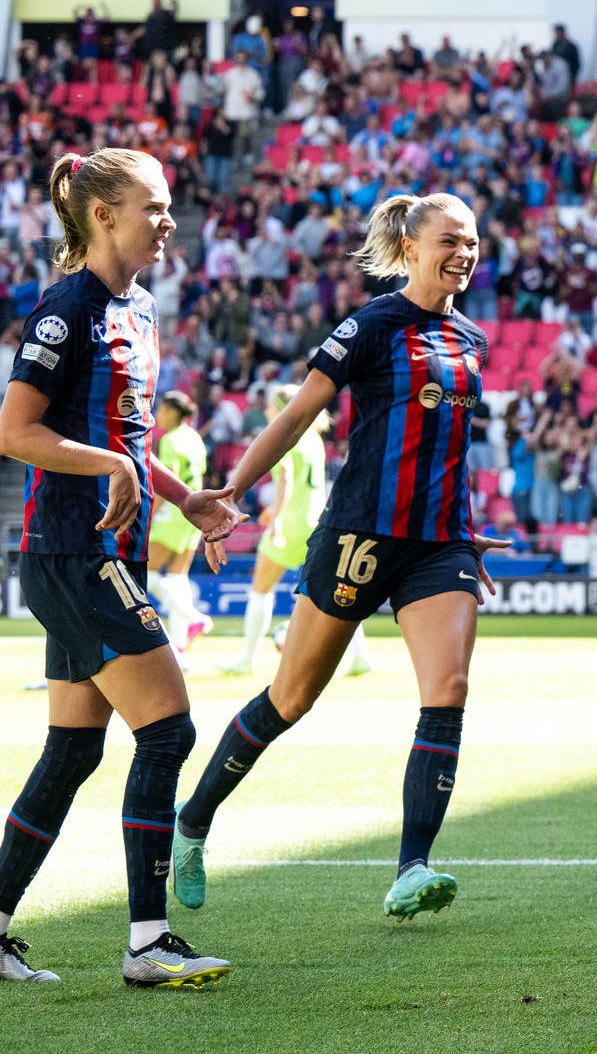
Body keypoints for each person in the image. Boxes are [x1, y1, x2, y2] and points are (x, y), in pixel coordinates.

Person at [171, 193, 510, 921]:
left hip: (438, 543)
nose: (465, 252)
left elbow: (452, 449)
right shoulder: (371, 324)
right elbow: (298, 413)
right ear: (412, 245)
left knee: (447, 688)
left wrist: (467, 526)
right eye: (451, 239)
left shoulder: (473, 340)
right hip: (359, 534)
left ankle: (411, 869)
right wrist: (232, 490)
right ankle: (194, 819)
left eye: (474, 241)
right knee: (291, 698)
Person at [0, 149, 241, 988]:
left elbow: (131, 443)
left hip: (100, 549)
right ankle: (147, 943)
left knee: (71, 752)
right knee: (169, 732)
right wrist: (112, 467)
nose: (168, 219)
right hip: (74, 553)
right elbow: (15, 431)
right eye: (154, 205)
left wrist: (184, 498)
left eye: (170, 204)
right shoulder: (67, 307)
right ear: (103, 213)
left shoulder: (137, 308)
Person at [220, 384, 373, 680]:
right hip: (314, 522)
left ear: (281, 407)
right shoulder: (314, 438)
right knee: (335, 593)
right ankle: (361, 657)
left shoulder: (287, 436)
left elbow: (286, 481)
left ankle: (246, 660)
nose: (266, 410)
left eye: (270, 405)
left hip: (289, 524)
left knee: (260, 591)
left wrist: (275, 519)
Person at [145, 391, 213, 660]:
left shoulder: (171, 439)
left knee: (145, 574)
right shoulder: (196, 438)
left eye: (161, 409)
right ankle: (181, 642)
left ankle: (194, 617)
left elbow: (167, 482)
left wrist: (150, 514)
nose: (158, 414)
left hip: (172, 514)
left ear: (174, 411)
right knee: (177, 576)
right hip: (192, 515)